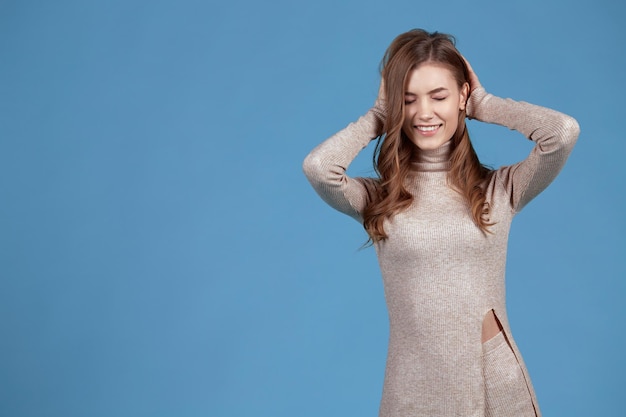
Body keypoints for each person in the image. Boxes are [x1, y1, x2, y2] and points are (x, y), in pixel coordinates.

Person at [302, 29, 579, 417]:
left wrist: (485, 103)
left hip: (494, 389)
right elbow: (319, 169)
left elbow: (561, 134)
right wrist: (377, 117)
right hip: (411, 393)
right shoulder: (378, 199)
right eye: (408, 99)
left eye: (439, 96)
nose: (424, 113)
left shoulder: (499, 190)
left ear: (461, 95)